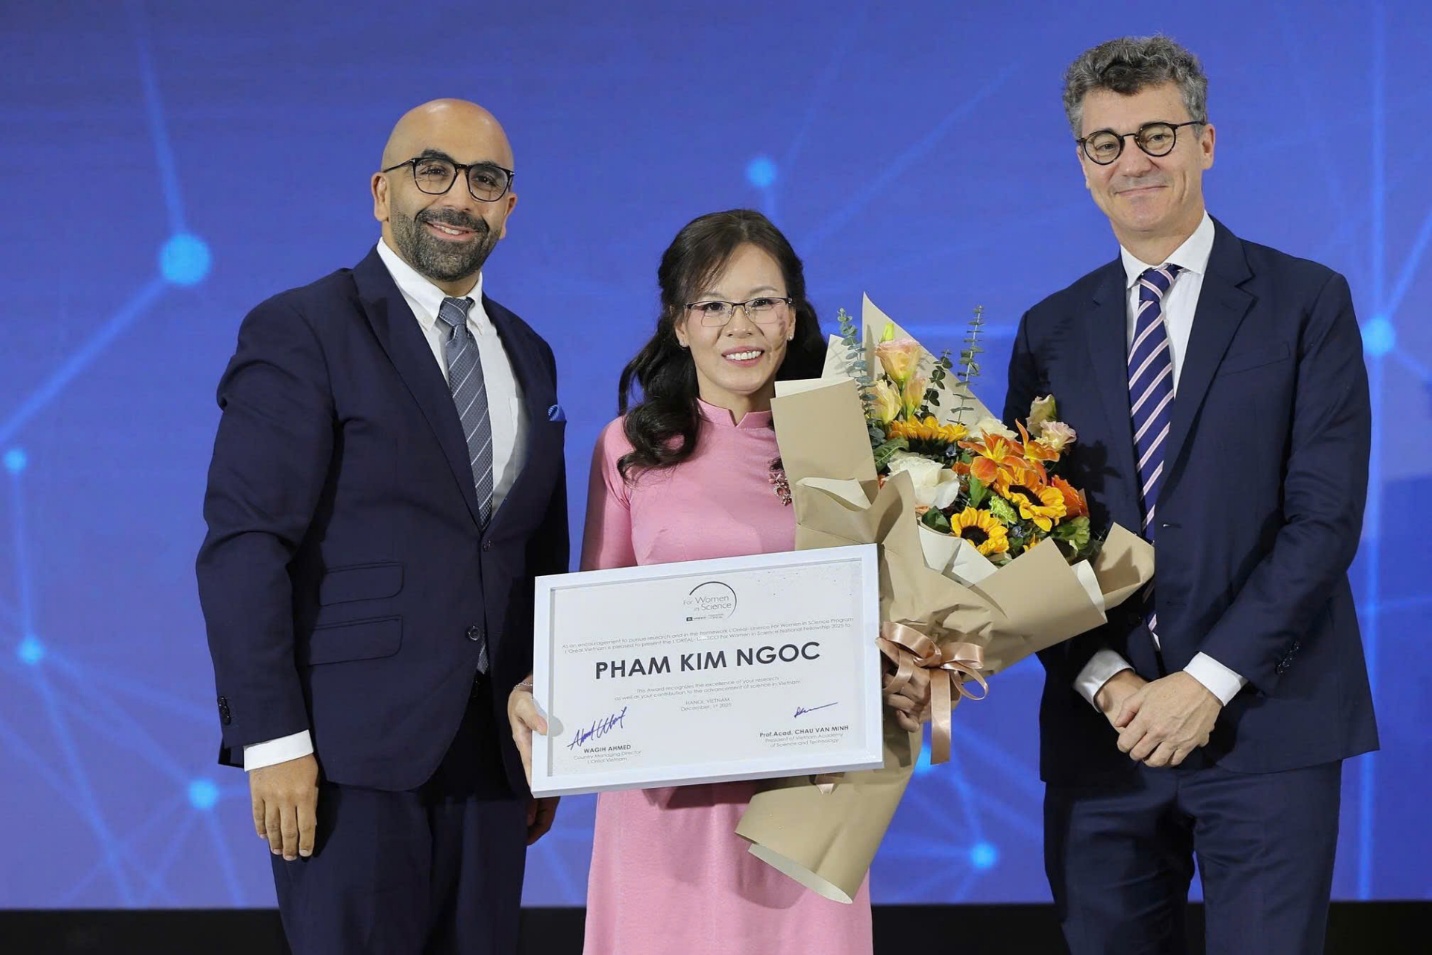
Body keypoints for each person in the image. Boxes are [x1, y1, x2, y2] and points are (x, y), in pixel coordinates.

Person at [1004, 35, 1378, 954]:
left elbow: (1324, 519)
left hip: (1269, 727)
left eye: (1157, 135)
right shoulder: (1050, 329)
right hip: (1106, 740)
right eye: (1107, 143)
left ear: (1206, 142)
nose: (1132, 161)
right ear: (1083, 164)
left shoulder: (1306, 301)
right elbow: (1023, 536)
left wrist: (1205, 683)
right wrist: (1109, 681)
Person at [196, 98, 567, 954]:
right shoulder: (303, 329)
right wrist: (272, 739)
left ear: (509, 207)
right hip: (345, 762)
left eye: (485, 180)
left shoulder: (531, 352)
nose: (459, 197)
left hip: (496, 758)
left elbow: (534, 551)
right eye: (433, 171)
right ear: (380, 192)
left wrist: (552, 739)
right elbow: (246, 546)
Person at [510, 210, 913, 954]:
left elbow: (901, 605)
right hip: (662, 806)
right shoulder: (630, 447)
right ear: (679, 322)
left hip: (807, 798)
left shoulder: (850, 443)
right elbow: (596, 619)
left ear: (793, 316)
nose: (741, 326)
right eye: (715, 304)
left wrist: (909, 670)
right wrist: (542, 688)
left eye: (763, 301)